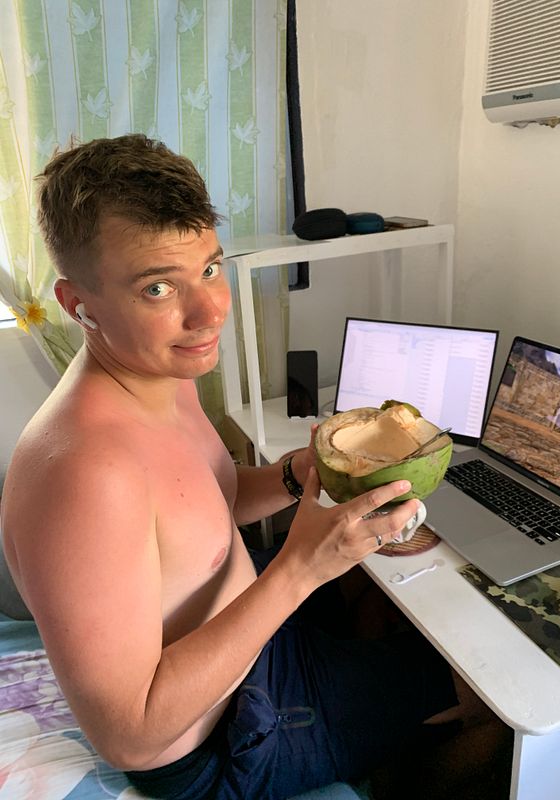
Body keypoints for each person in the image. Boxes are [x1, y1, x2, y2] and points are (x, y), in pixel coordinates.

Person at [2, 134, 479, 800]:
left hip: (251, 651)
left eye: (210, 267)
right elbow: (130, 736)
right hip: (228, 737)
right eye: (159, 287)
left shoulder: (158, 371)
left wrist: (292, 475)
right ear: (78, 305)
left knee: (379, 605)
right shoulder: (85, 475)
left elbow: (202, 505)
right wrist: (300, 570)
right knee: (477, 689)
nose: (210, 310)